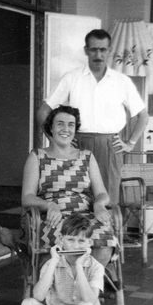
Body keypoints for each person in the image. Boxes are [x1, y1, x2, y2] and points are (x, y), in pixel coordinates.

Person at [37, 29, 149, 204]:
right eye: (94, 49)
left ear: (109, 51)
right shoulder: (71, 78)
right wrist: (55, 140)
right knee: (75, 198)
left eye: (103, 50)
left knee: (108, 202)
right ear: (86, 50)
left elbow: (143, 115)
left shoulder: (121, 81)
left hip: (109, 146)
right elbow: (43, 111)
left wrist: (130, 143)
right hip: (77, 144)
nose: (98, 54)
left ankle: (107, 232)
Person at [22, 104, 117, 267]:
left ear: (75, 130)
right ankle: (66, 286)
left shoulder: (86, 156)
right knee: (63, 240)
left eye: (71, 125)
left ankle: (85, 287)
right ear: (50, 128)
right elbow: (27, 197)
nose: (65, 129)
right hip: (53, 216)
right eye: (60, 124)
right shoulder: (37, 156)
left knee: (104, 240)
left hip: (85, 215)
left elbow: (101, 192)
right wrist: (49, 205)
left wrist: (99, 205)